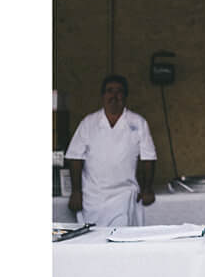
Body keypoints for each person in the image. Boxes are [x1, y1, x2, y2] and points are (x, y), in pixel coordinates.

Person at [65, 74, 157, 227]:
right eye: (109, 91)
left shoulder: (138, 122)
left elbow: (148, 158)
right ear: (103, 95)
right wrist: (76, 192)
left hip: (124, 193)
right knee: (93, 244)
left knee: (119, 243)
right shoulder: (89, 122)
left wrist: (147, 189)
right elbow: (75, 158)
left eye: (119, 91)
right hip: (93, 196)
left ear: (125, 96)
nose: (114, 96)